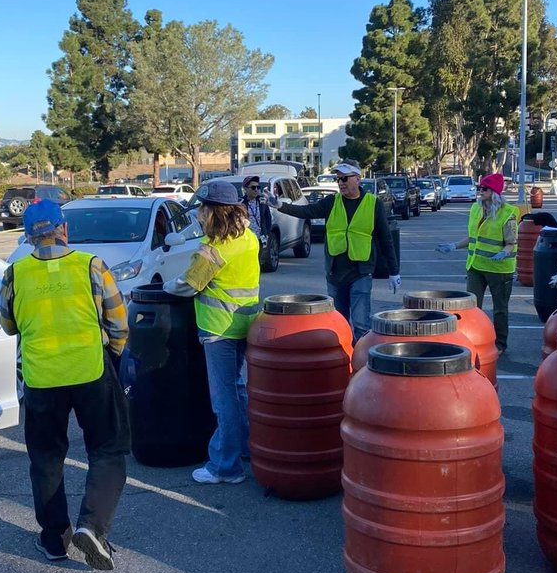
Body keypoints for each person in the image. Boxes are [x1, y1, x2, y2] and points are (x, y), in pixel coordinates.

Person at [0, 199, 130, 569]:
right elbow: (118, 323)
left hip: (42, 379)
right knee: (107, 449)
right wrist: (114, 356)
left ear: (27, 238)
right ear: (64, 229)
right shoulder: (91, 266)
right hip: (90, 371)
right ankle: (92, 527)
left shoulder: (15, 273)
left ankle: (55, 537)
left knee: (46, 457)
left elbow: (9, 324)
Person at [165, 180, 261, 485]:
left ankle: (225, 466)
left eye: (202, 209)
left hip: (219, 328)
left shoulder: (214, 249)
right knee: (238, 388)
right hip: (246, 323)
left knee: (223, 400)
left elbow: (189, 284)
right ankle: (245, 448)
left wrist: (166, 287)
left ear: (213, 212)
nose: (198, 215)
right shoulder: (248, 237)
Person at [272, 161, 400, 341]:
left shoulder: (373, 204)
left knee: (361, 325)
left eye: (345, 178)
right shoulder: (332, 202)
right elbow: (308, 211)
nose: (341, 183)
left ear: (357, 178)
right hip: (335, 273)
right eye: (338, 179)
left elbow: (385, 239)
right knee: (339, 324)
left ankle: (360, 365)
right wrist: (281, 206)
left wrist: (394, 271)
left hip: (361, 272)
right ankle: (342, 363)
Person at [435, 172, 518, 352]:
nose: (481, 191)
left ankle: (500, 344)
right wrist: (454, 246)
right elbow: (473, 238)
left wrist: (503, 253)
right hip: (475, 266)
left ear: (494, 192)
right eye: (480, 188)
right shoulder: (476, 209)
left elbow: (511, 243)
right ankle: (472, 340)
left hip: (500, 270)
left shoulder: (507, 214)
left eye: (485, 189)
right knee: (472, 307)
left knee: (500, 309)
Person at [242, 172, 272, 243]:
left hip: (261, 238)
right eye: (253, 187)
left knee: (262, 254)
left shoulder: (262, 202)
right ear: (245, 189)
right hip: (247, 240)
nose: (256, 189)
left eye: (258, 187)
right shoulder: (241, 203)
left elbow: (268, 218)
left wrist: (267, 233)